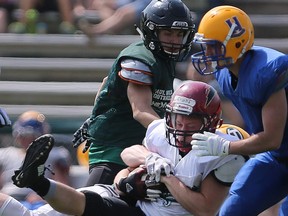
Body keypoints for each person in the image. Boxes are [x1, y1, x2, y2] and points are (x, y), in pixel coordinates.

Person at [0, 80, 248, 216]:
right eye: (177, 119)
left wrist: (167, 177)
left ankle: (39, 183)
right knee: (81, 202)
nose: (181, 126)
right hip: (137, 203)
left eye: (190, 121)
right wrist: (128, 179)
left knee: (90, 206)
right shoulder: (161, 131)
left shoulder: (221, 150)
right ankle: (37, 181)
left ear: (210, 122)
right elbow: (128, 155)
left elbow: (205, 210)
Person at [72, 0, 195, 186]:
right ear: (151, 31)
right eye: (168, 33)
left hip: (142, 148)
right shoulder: (141, 59)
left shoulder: (163, 58)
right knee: (93, 204)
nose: (175, 40)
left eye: (179, 34)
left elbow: (106, 83)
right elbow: (140, 111)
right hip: (115, 149)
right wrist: (177, 135)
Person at [189, 5, 288, 215]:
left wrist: (226, 147)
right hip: (277, 157)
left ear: (237, 43)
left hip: (275, 147)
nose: (206, 53)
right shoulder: (225, 74)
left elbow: (272, 138)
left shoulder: (268, 70)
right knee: (232, 210)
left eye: (212, 46)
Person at [75, 0, 151, 36]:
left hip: (149, 4)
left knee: (125, 13)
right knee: (101, 3)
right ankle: (112, 30)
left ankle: (97, 31)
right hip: (134, 1)